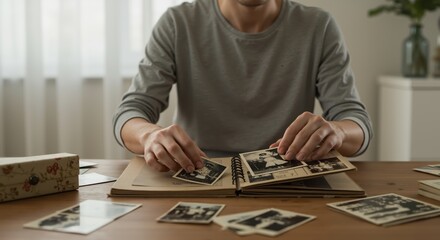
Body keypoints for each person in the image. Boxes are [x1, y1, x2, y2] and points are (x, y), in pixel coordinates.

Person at [112, 0, 373, 174]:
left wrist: (337, 131)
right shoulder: (177, 22)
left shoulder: (319, 26)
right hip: (195, 171)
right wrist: (149, 136)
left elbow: (356, 122)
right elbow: (131, 112)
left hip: (288, 175)